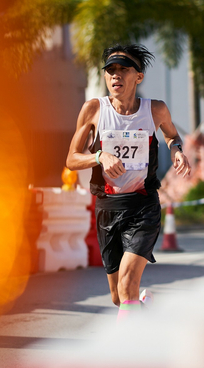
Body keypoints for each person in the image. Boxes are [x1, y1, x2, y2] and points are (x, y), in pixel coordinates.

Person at [66, 43, 191, 322]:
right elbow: (72, 159)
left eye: (124, 70)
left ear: (139, 77)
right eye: (111, 70)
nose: (116, 76)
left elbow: (172, 136)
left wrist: (177, 151)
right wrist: (99, 156)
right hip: (107, 208)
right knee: (118, 295)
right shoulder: (93, 109)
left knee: (126, 285)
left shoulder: (155, 110)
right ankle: (143, 310)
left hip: (143, 206)